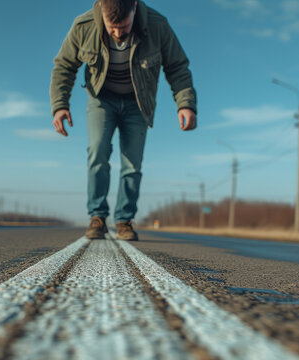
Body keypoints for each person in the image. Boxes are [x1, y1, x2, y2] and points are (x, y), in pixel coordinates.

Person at [51, 0, 197, 241]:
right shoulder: (83, 26)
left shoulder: (158, 26)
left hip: (137, 103)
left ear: (136, 8)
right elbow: (64, 66)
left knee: (132, 163)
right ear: (100, 9)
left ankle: (124, 221)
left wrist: (185, 104)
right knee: (98, 151)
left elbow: (177, 66)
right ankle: (97, 218)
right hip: (101, 100)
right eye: (112, 27)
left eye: (125, 27)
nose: (118, 34)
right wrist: (60, 106)